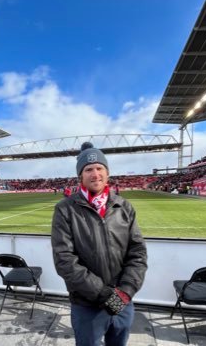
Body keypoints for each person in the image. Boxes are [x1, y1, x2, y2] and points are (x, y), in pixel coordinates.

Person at [51, 142, 148, 346]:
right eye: (88, 169)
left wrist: (125, 291)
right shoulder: (65, 209)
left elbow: (138, 253)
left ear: (107, 172)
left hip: (123, 302)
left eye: (99, 168)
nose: (95, 174)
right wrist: (105, 295)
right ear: (81, 176)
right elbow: (64, 260)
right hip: (87, 305)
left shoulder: (124, 207)